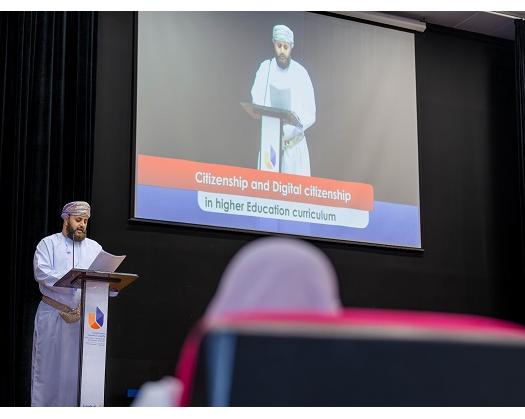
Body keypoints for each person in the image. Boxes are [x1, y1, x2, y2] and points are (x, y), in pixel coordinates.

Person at [31, 201, 103, 406]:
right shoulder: (48, 244)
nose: (82, 225)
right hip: (53, 315)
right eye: (78, 220)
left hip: (86, 321)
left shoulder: (95, 248)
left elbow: (102, 278)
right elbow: (42, 273)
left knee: (77, 374)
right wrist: (72, 280)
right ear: (66, 219)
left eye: (86, 221)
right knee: (48, 371)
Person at [251, 24, 316, 176]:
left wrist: (294, 121)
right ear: (274, 44)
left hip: (295, 145)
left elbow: (311, 113)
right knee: (267, 191)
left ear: (291, 47)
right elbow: (257, 98)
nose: (282, 51)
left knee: (297, 194)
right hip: (270, 142)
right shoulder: (265, 68)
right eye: (279, 46)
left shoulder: (301, 73)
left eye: (286, 47)